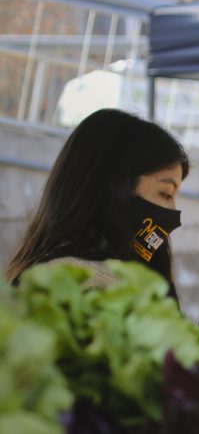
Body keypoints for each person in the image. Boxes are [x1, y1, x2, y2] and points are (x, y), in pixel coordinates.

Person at [7, 109, 188, 295]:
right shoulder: (75, 283)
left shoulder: (38, 281)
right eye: (166, 193)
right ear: (114, 185)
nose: (173, 210)